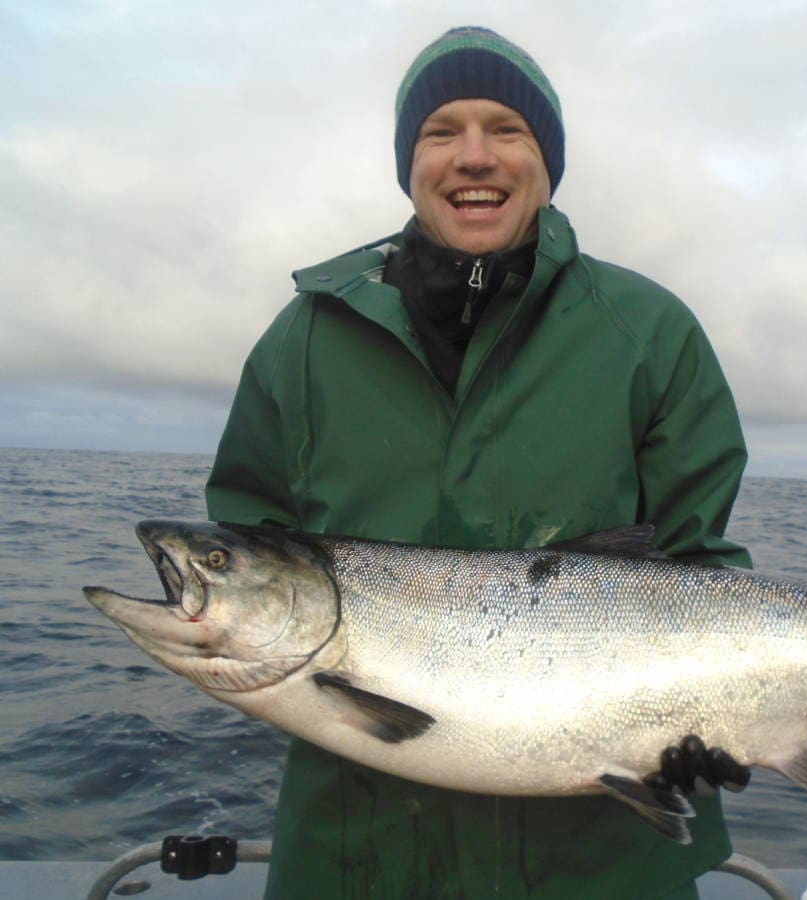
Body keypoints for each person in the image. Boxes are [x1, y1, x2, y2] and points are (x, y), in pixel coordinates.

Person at [206, 25, 752, 899]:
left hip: (602, 867)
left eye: (506, 129)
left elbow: (699, 565)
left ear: (546, 161)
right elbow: (249, 551)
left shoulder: (650, 332)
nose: (473, 156)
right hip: (357, 858)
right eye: (441, 132)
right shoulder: (302, 341)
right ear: (409, 162)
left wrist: (721, 709)